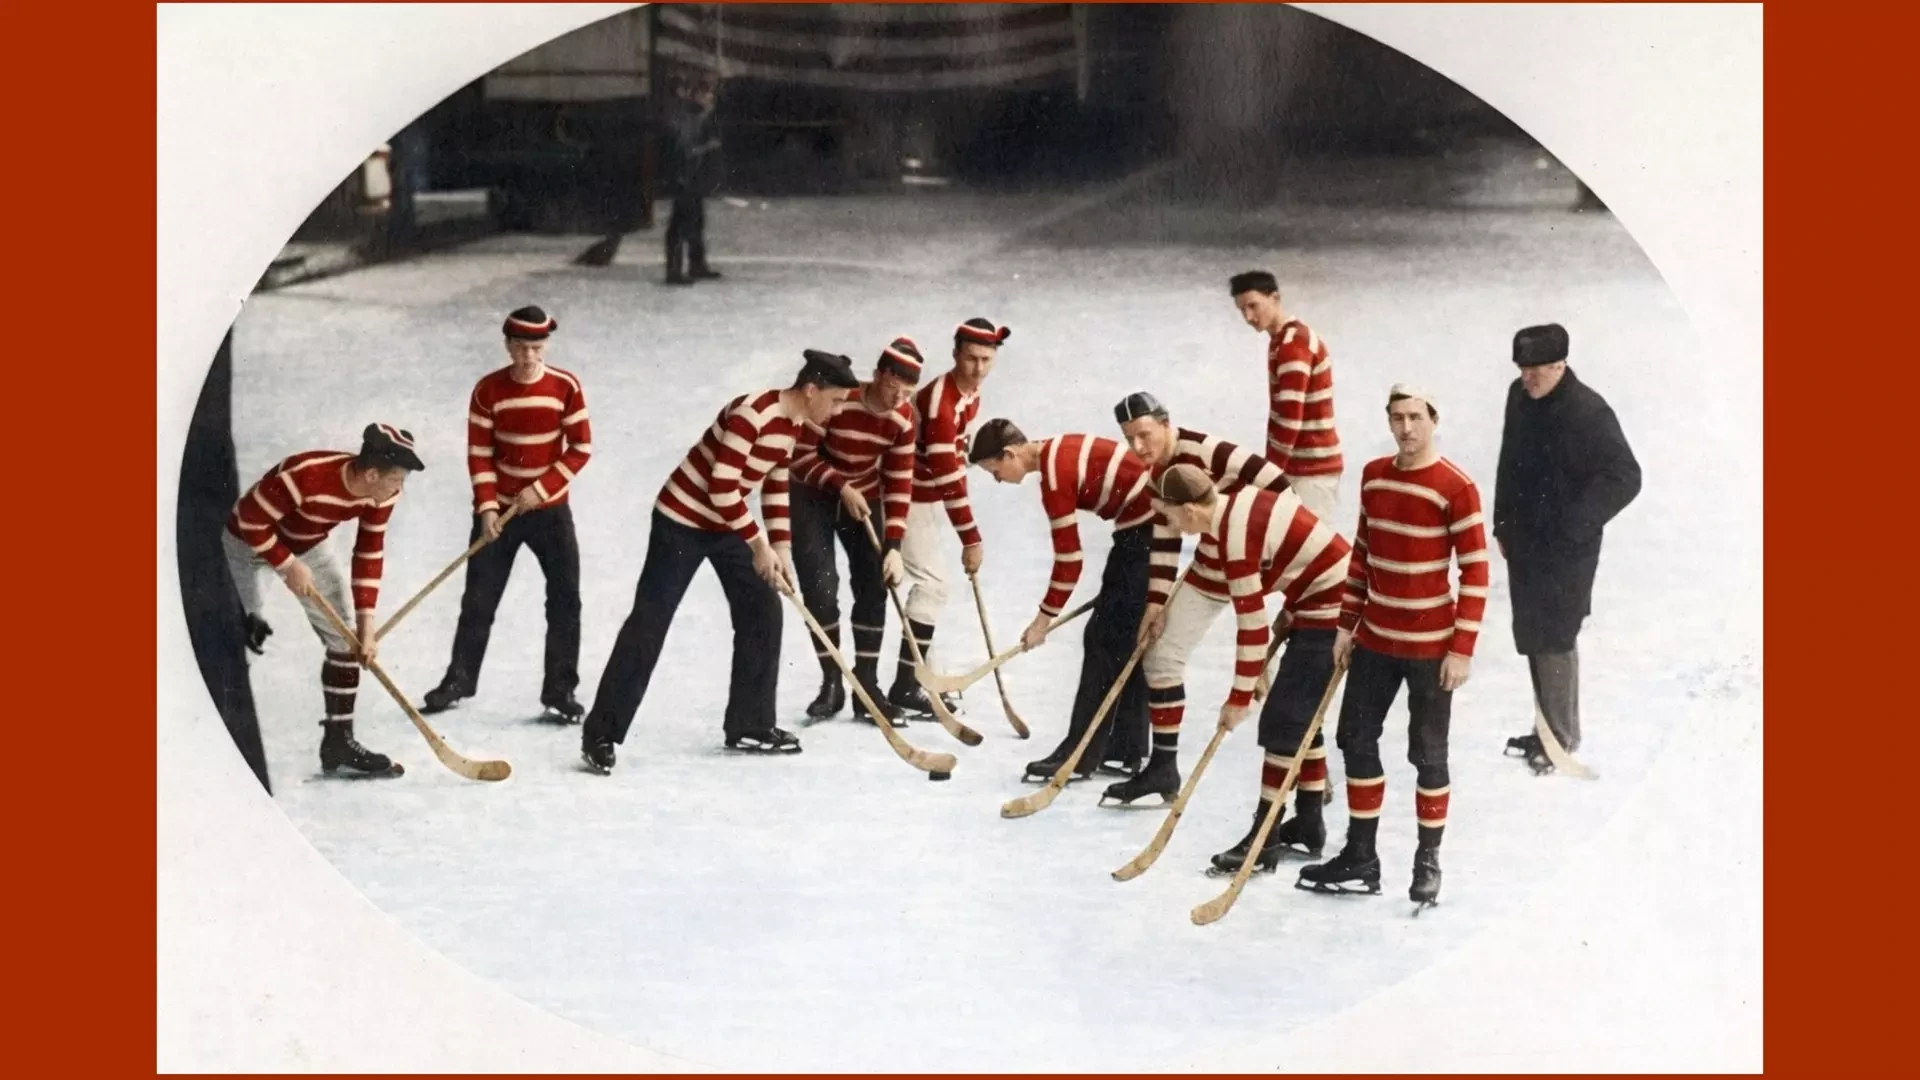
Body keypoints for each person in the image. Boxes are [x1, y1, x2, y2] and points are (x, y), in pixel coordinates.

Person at [579, 350, 862, 774]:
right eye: (836, 400)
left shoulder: (794, 424)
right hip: (682, 520)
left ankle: (750, 725)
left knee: (763, 610)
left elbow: (774, 486)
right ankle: (600, 734)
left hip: (727, 522)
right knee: (649, 622)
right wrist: (759, 545)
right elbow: (721, 487)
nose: (838, 411)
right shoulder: (753, 414)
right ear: (810, 390)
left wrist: (781, 551)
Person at [1298, 385, 1488, 908]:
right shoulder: (1375, 476)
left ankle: (1428, 861)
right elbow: (1362, 554)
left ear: (1433, 419)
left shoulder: (1457, 487)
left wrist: (1462, 649)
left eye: (1415, 417)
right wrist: (1345, 625)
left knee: (1428, 754)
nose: (1406, 428)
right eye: (1397, 417)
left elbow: (1475, 572)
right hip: (1375, 640)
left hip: (1431, 649)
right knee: (1354, 738)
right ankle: (1361, 856)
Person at [1146, 465, 1352, 870]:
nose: (1170, 526)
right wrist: (1293, 606)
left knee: (1282, 722)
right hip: (1316, 598)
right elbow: (1298, 555)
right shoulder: (1233, 508)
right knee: (1299, 717)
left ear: (1189, 510)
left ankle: (1263, 841)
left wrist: (1238, 699)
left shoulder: (1234, 539)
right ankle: (1309, 825)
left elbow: (1252, 627)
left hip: (1334, 606)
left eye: (1169, 515)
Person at [1107, 390, 1294, 805]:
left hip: (1251, 566)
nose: (1138, 446)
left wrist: (1259, 556)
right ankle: (1163, 768)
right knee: (1161, 655)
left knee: (1272, 674)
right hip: (1211, 570)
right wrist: (1155, 606)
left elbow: (1281, 488)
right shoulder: (1156, 473)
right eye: (1129, 438)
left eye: (1145, 434)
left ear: (1166, 423)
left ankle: (1308, 769)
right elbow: (1166, 540)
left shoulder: (1209, 451)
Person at [223, 423, 426, 777]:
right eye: (396, 480)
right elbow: (248, 521)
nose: (399, 489)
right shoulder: (305, 475)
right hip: (248, 545)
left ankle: (338, 743)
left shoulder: (381, 494)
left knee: (345, 641)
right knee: (244, 640)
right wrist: (287, 564)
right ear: (372, 474)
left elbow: (368, 552)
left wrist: (367, 627)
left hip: (307, 544)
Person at [423, 306, 593, 720]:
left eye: (536, 347)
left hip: (550, 512)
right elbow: (480, 454)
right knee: (478, 600)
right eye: (519, 347)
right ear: (507, 345)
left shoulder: (566, 387)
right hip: (498, 512)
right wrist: (486, 508)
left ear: (546, 345)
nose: (528, 356)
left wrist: (541, 489)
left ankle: (560, 691)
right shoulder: (488, 390)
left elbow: (580, 448)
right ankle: (459, 680)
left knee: (565, 599)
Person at [1492, 324, 1641, 772]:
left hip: (1566, 549)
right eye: (1522, 369)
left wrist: (1575, 524)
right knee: (1532, 632)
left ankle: (1560, 737)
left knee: (1556, 633)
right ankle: (1547, 728)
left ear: (1560, 365)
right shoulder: (1519, 396)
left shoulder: (1589, 411)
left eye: (1536, 370)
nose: (1527, 378)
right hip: (1524, 539)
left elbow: (1625, 476)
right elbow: (1508, 459)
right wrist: (1502, 523)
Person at [971, 420, 1156, 780]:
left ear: (1009, 454)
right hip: (1143, 530)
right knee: (1124, 637)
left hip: (1144, 531)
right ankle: (1125, 749)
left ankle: (1079, 755)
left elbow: (1070, 561)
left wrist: (1042, 622)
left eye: (995, 471)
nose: (998, 480)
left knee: (1101, 639)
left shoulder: (1054, 478)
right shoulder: (1055, 451)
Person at [788, 338, 921, 725]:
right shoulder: (839, 399)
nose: (900, 398)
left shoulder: (903, 419)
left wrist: (893, 545)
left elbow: (899, 482)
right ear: (878, 375)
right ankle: (832, 682)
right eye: (894, 387)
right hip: (812, 494)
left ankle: (867, 687)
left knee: (874, 584)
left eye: (908, 392)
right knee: (820, 587)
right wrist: (841, 486)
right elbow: (801, 456)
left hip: (863, 495)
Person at [897, 317, 1008, 711]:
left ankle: (923, 679)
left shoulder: (968, 392)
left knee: (933, 583)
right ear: (955, 354)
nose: (978, 369)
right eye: (971, 358)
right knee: (932, 584)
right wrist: (971, 539)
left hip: (924, 494)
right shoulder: (940, 403)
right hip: (904, 494)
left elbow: (953, 457)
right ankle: (906, 686)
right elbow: (947, 479)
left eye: (986, 360)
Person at [1228, 270, 1343, 521]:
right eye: (1241, 310)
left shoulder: (1293, 344)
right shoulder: (1283, 340)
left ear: (1275, 298)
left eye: (1253, 306)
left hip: (1311, 470)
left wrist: (1269, 473)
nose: (1248, 317)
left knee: (1308, 542)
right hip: (1303, 467)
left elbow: (1290, 418)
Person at [663, 71, 724, 285]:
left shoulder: (690, 115)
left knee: (695, 221)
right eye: (706, 93)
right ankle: (675, 270)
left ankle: (696, 265)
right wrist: (708, 146)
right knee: (681, 223)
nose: (710, 98)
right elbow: (686, 149)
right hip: (684, 176)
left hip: (690, 175)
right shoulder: (685, 116)